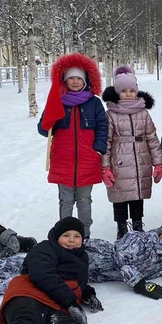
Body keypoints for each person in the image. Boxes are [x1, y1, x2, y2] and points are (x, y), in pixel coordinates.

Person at [0, 218, 162, 303]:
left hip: (94, 274)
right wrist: (139, 283)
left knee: (50, 279)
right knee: (41, 270)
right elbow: (122, 257)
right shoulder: (140, 238)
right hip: (92, 256)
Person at [37, 52, 108, 239]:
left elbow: (102, 127)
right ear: (65, 80)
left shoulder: (94, 103)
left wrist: (98, 149)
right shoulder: (57, 102)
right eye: (71, 78)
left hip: (87, 160)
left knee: (84, 200)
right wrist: (50, 119)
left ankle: (84, 236)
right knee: (65, 200)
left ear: (85, 80)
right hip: (63, 160)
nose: (75, 82)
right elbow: (44, 130)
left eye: (79, 78)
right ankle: (65, 235)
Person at [101, 66, 162, 239]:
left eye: (131, 90)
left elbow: (152, 137)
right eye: (124, 91)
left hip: (140, 160)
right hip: (119, 162)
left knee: (137, 194)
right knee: (119, 195)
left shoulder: (143, 113)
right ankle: (121, 226)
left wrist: (158, 162)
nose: (128, 94)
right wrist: (105, 167)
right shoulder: (111, 114)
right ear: (117, 92)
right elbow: (105, 142)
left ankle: (137, 223)